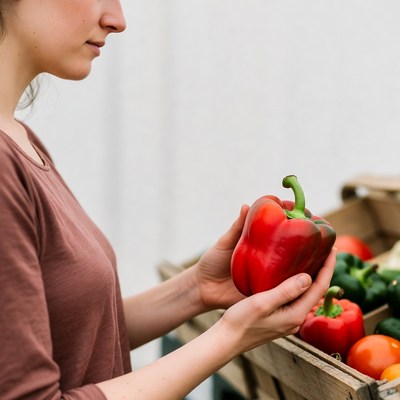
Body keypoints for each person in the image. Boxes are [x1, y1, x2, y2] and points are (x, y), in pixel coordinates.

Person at [0, 1, 336, 399]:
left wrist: (195, 289)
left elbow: (72, 338)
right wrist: (232, 335)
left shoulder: (20, 141)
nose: (118, 20)